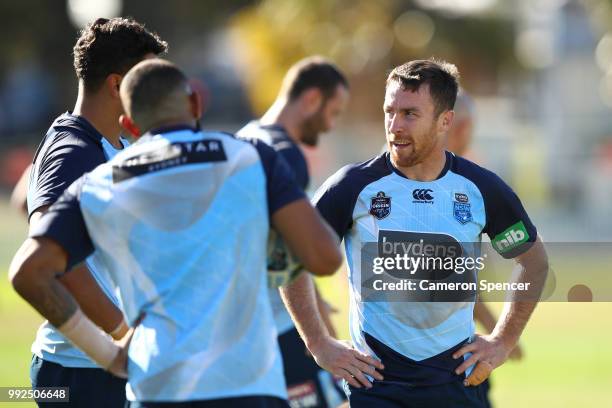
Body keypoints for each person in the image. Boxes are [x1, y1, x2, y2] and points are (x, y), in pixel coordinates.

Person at [10, 58, 344, 407]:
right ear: (195, 104)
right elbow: (324, 258)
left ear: (129, 124)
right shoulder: (252, 156)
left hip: (157, 387)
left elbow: (28, 274)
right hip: (248, 383)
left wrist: (109, 354)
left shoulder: (99, 183)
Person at [281, 59, 549, 407]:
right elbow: (289, 258)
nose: (395, 125)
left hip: (458, 384)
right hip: (376, 386)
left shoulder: (480, 188)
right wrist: (318, 344)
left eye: (410, 113)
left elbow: (534, 261)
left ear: (445, 121)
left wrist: (503, 340)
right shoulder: (351, 187)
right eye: (389, 111)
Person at [23, 17, 167, 407]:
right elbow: (50, 259)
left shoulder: (102, 140)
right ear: (117, 85)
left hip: (99, 368)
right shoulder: (74, 150)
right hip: (83, 374)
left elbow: (26, 196)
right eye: (146, 81)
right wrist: (122, 331)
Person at [237, 56, 349, 408]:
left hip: (242, 330)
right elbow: (289, 249)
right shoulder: (283, 154)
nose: (331, 125)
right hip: (283, 329)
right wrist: (323, 334)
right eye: (334, 111)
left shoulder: (243, 140)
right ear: (312, 99)